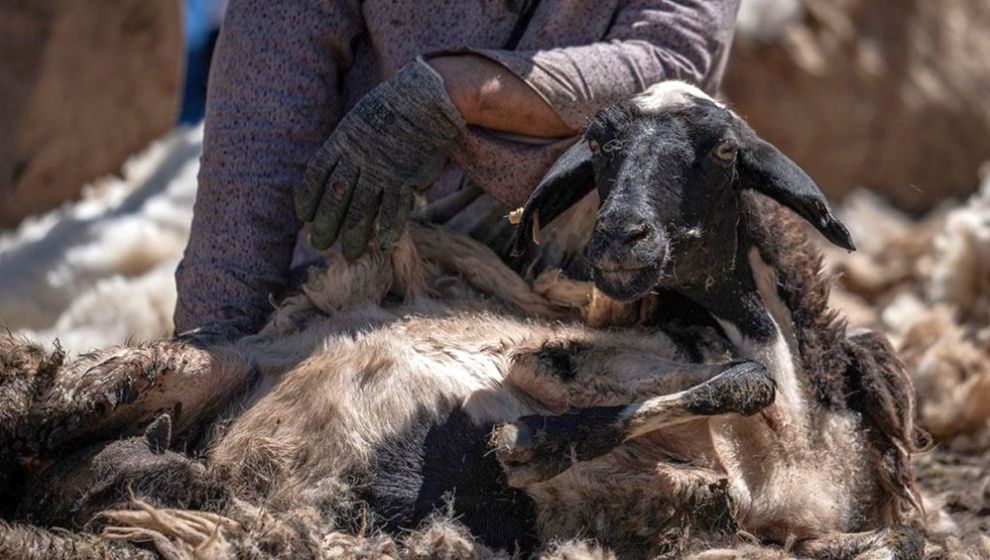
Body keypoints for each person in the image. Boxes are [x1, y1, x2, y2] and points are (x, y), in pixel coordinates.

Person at [175, 0, 741, 340]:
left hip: (611, 290)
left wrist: (458, 90)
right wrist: (215, 337)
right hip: (358, 283)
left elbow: (666, 61)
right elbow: (256, 140)